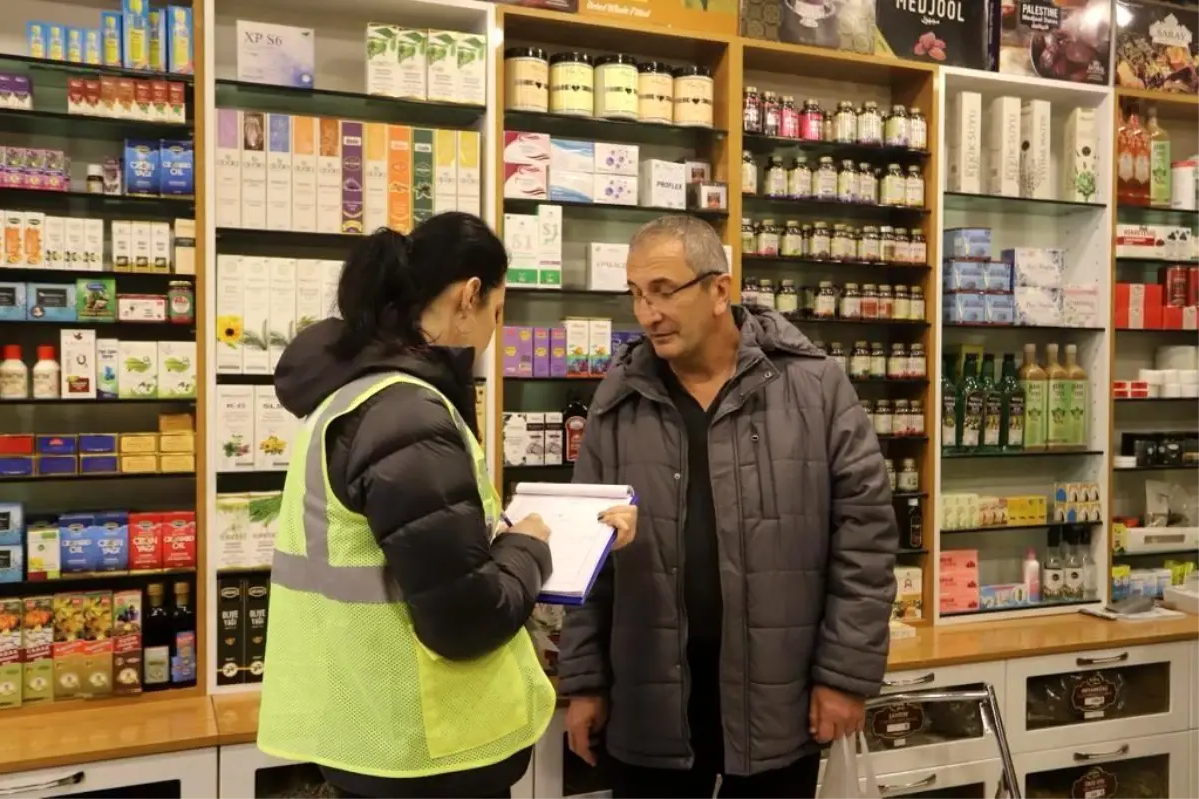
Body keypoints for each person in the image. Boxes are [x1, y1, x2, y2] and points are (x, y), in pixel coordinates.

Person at [256, 214, 637, 799]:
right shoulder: (406, 414)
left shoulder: (354, 396)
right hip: (424, 751)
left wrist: (502, 536)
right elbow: (467, 619)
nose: (493, 333)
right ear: (470, 295)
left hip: (368, 729)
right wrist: (530, 546)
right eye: (498, 313)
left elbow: (410, 557)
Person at [558, 215, 898, 798]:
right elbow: (590, 562)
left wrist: (844, 677)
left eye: (664, 291)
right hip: (649, 708)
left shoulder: (814, 388)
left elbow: (864, 538)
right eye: (637, 294)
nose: (647, 314)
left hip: (778, 703)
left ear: (719, 289)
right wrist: (585, 683)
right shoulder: (620, 399)